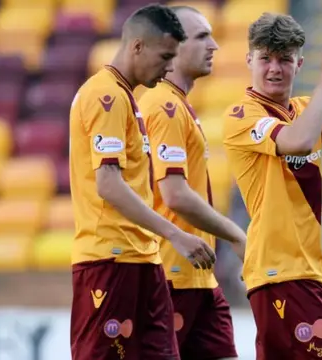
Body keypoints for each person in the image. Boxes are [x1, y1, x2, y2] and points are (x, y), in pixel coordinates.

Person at [222, 12, 322, 359]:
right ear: (249, 60)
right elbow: (299, 141)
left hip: (303, 272)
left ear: (299, 63)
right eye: (265, 58)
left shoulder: (306, 108)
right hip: (281, 272)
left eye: (285, 59)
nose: (274, 68)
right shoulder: (240, 115)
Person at [69, 5, 216, 360]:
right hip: (110, 260)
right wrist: (175, 233)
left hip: (143, 260)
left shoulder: (127, 98)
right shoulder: (107, 97)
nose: (169, 67)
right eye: (165, 56)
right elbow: (108, 184)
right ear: (137, 47)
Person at [136, 5, 244, 360]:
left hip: (198, 278)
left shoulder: (177, 104)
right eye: (201, 37)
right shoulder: (163, 105)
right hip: (171, 276)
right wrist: (236, 235)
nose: (214, 45)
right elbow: (175, 194)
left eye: (212, 35)